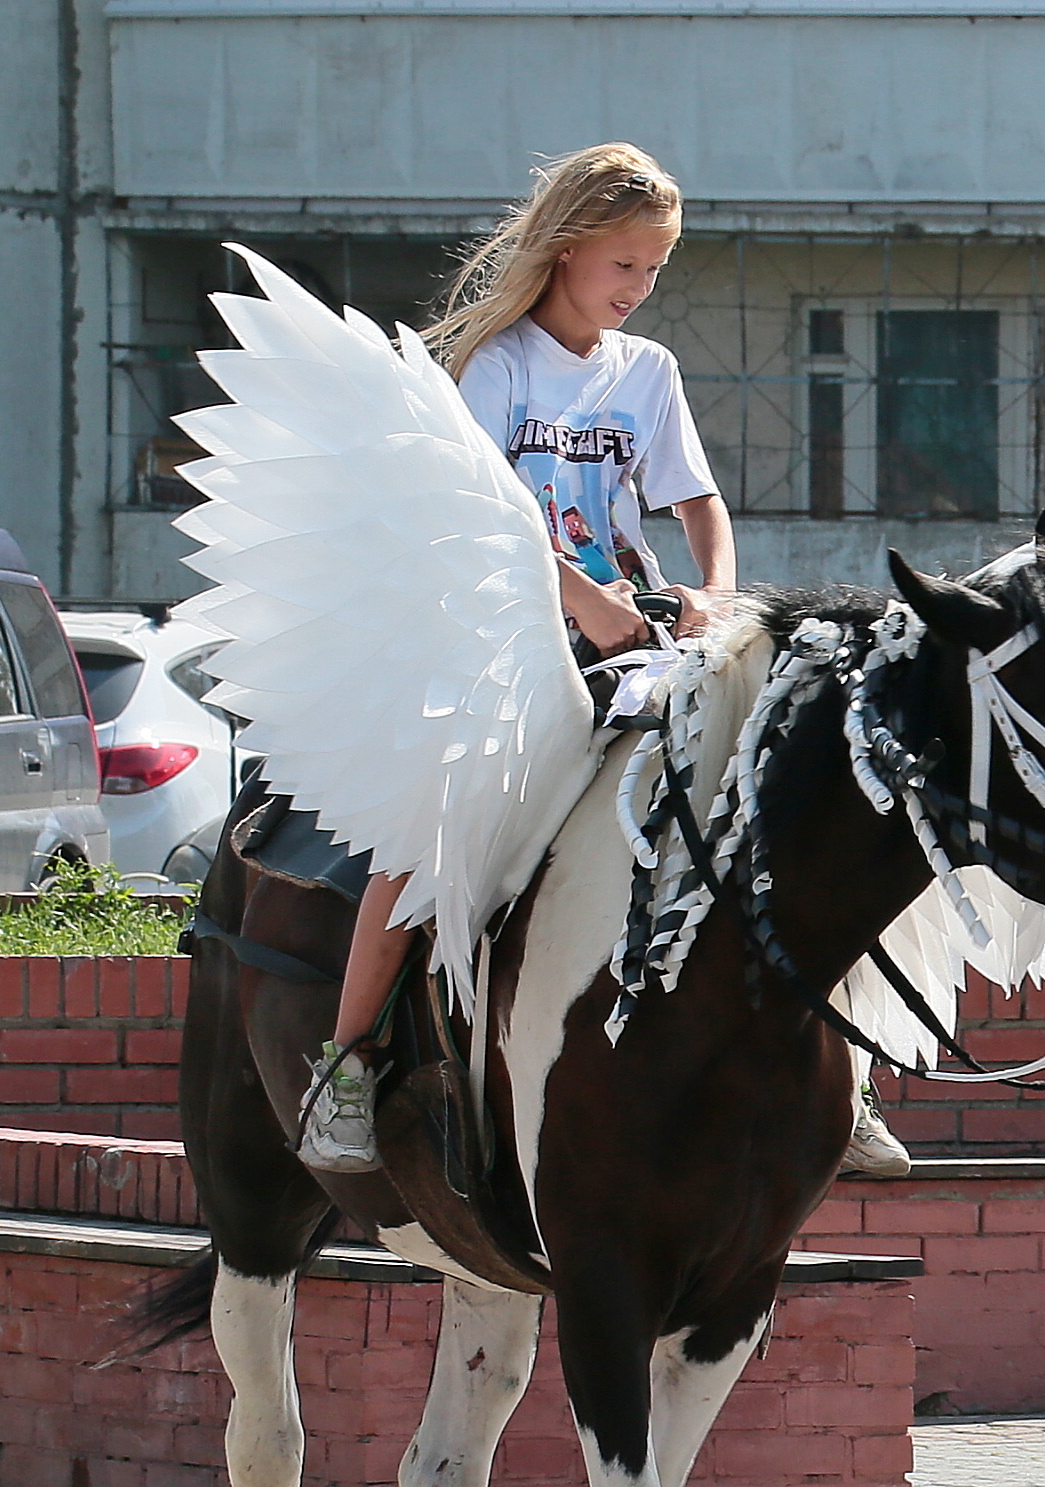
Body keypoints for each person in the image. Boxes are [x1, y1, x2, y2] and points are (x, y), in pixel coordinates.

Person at [298, 142, 733, 1172]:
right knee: (423, 841)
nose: (639, 287)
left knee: (747, 800)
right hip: (503, 635)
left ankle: (832, 1078)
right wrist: (582, 599)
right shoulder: (495, 368)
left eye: (655, 269)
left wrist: (710, 590)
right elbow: (483, 520)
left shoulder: (650, 374)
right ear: (569, 250)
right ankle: (346, 1066)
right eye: (624, 263)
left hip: (633, 639)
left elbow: (698, 503)